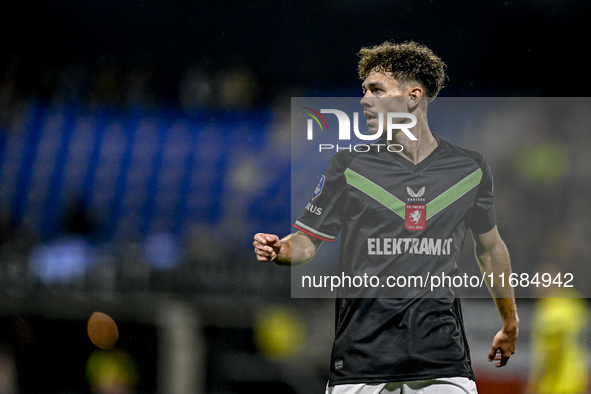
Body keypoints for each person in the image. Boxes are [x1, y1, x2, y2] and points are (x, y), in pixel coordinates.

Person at [253, 41, 518, 394]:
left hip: (441, 362)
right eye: (363, 90)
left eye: (376, 89)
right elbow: (307, 243)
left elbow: (490, 249)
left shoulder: (469, 168)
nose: (364, 99)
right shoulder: (348, 166)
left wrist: (510, 321)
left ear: (412, 96)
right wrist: (281, 249)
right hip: (361, 363)